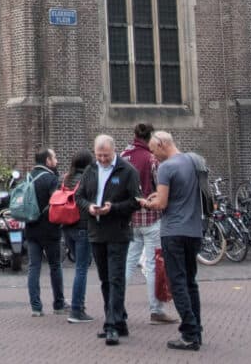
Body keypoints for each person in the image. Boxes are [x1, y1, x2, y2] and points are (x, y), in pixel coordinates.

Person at [76, 134, 142, 346]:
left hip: (118, 232)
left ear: (114, 151)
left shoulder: (127, 171)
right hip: (96, 231)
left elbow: (135, 201)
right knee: (105, 279)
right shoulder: (91, 170)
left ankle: (112, 324)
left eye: (105, 155)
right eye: (99, 155)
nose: (102, 159)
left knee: (115, 278)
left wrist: (112, 208)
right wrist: (89, 207)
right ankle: (118, 320)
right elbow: (79, 197)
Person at [145, 130, 205, 351]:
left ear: (161, 144)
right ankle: (196, 330)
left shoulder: (166, 168)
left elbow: (161, 204)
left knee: (177, 283)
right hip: (194, 231)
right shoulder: (194, 160)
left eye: (153, 151)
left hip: (173, 232)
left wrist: (146, 202)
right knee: (191, 282)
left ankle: (188, 334)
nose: (153, 156)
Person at [123, 122, 176, 326]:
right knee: (153, 264)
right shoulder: (152, 158)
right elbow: (160, 186)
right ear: (150, 138)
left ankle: (117, 305)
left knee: (128, 262)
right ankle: (156, 310)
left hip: (130, 217)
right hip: (151, 217)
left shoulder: (124, 156)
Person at [24, 148, 65, 316]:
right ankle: (58, 304)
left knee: (33, 267)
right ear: (48, 160)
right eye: (54, 158)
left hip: (31, 228)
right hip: (49, 229)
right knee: (55, 266)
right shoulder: (51, 179)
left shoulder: (28, 177)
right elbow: (56, 203)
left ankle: (36, 307)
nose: (56, 161)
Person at [64, 151, 95, 324]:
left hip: (67, 227)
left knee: (79, 266)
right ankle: (77, 309)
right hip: (82, 227)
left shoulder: (66, 179)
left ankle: (76, 307)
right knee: (81, 269)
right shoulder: (87, 179)